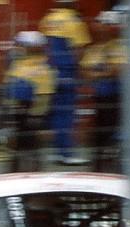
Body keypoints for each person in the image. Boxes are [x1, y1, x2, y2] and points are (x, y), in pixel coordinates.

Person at [39, 0, 90, 165]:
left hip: (49, 73)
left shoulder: (48, 19)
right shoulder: (75, 22)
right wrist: (78, 71)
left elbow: (43, 46)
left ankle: (58, 151)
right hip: (67, 72)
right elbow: (79, 50)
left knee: (56, 113)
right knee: (67, 115)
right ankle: (67, 154)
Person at [80, 10, 126, 173]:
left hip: (114, 96)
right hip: (98, 96)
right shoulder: (95, 48)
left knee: (110, 131)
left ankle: (110, 163)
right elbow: (84, 70)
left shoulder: (119, 47)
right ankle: (98, 162)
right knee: (98, 132)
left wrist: (97, 73)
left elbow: (117, 70)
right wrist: (100, 73)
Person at [4, 30, 55, 172]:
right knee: (18, 150)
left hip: (32, 114)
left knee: (30, 150)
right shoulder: (18, 64)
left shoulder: (42, 67)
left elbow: (45, 96)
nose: (18, 48)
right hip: (19, 112)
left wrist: (38, 118)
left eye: (21, 45)